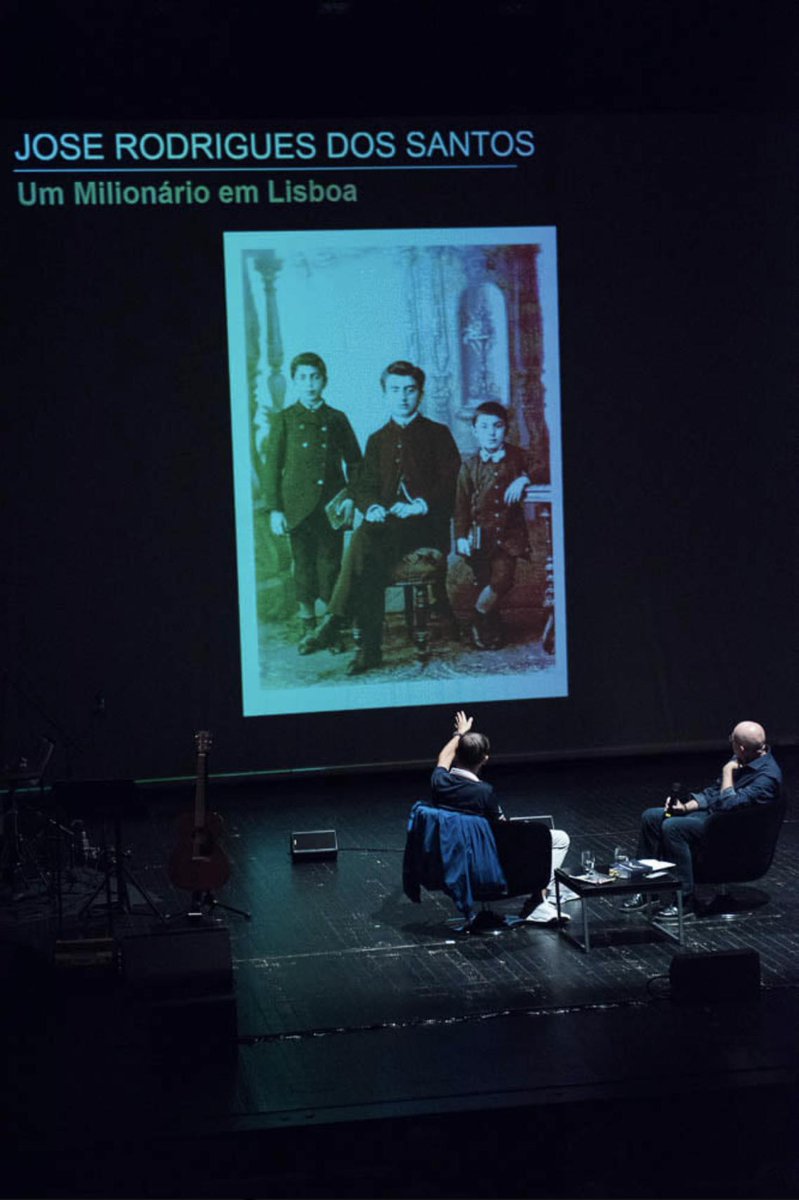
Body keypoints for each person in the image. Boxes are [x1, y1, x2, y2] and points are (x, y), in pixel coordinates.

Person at [301, 361, 461, 674]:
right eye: (395, 390)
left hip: (425, 528)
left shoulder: (438, 434)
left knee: (364, 542)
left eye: (410, 390)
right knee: (368, 557)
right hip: (386, 528)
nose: (403, 397)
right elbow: (364, 485)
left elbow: (451, 481)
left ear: (421, 393)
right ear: (385, 394)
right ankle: (368, 650)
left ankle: (338, 623)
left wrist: (420, 505)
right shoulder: (377, 439)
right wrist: (371, 505)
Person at [623, 720, 782, 917]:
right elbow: (713, 793)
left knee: (673, 827)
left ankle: (685, 900)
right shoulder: (743, 757)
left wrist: (727, 772)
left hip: (732, 831)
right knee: (653, 817)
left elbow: (728, 804)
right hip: (715, 818)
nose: (730, 744)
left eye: (732, 740)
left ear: (741, 747)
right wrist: (685, 807)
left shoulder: (767, 777)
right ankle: (646, 889)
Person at [261, 352, 362, 651]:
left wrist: (351, 499)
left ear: (325, 380)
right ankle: (308, 626)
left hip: (330, 508)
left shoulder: (336, 418)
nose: (309, 384)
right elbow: (271, 467)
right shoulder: (285, 419)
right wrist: (275, 509)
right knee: (302, 567)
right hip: (296, 508)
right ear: (294, 381)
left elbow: (355, 463)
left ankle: (330, 627)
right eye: (303, 378)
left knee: (330, 567)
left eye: (315, 377)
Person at [432, 710, 572, 923]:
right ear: (485, 759)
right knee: (558, 838)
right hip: (485, 865)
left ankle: (544, 897)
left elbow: (443, 757)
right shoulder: (483, 792)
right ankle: (538, 900)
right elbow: (503, 829)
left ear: (457, 755)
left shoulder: (439, 781)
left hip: (451, 862)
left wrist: (459, 734)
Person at [453, 401, 537, 649]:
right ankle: (491, 623)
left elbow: (544, 466)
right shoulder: (469, 466)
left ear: (506, 429)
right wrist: (461, 536)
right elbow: (460, 506)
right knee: (485, 580)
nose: (491, 432)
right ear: (475, 431)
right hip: (480, 537)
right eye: (485, 427)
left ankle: (477, 617)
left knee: (502, 579)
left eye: (498, 426)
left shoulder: (517, 457)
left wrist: (524, 478)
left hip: (508, 536)